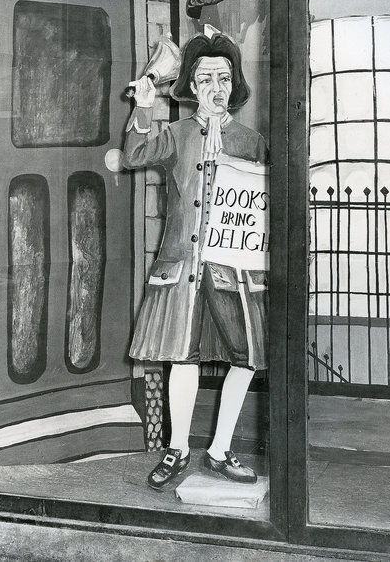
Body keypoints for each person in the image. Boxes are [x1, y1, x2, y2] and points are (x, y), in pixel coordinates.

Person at [122, 31, 268, 491]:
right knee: (181, 358)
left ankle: (221, 449)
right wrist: (144, 106)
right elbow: (133, 155)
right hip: (182, 267)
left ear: (234, 83)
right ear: (191, 85)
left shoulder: (251, 141)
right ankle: (178, 447)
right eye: (205, 79)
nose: (216, 87)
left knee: (245, 357)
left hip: (233, 269)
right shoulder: (177, 134)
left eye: (223, 78)